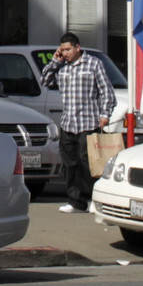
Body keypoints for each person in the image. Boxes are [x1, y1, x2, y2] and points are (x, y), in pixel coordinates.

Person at [40, 31, 116, 213]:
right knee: (70, 163)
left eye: (68, 49)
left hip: (88, 122)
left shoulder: (93, 64)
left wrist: (105, 113)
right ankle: (76, 201)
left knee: (88, 163)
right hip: (68, 123)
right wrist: (55, 61)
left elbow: (107, 91)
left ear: (77, 48)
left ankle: (94, 200)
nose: (65, 53)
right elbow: (44, 80)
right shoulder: (61, 66)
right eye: (62, 50)